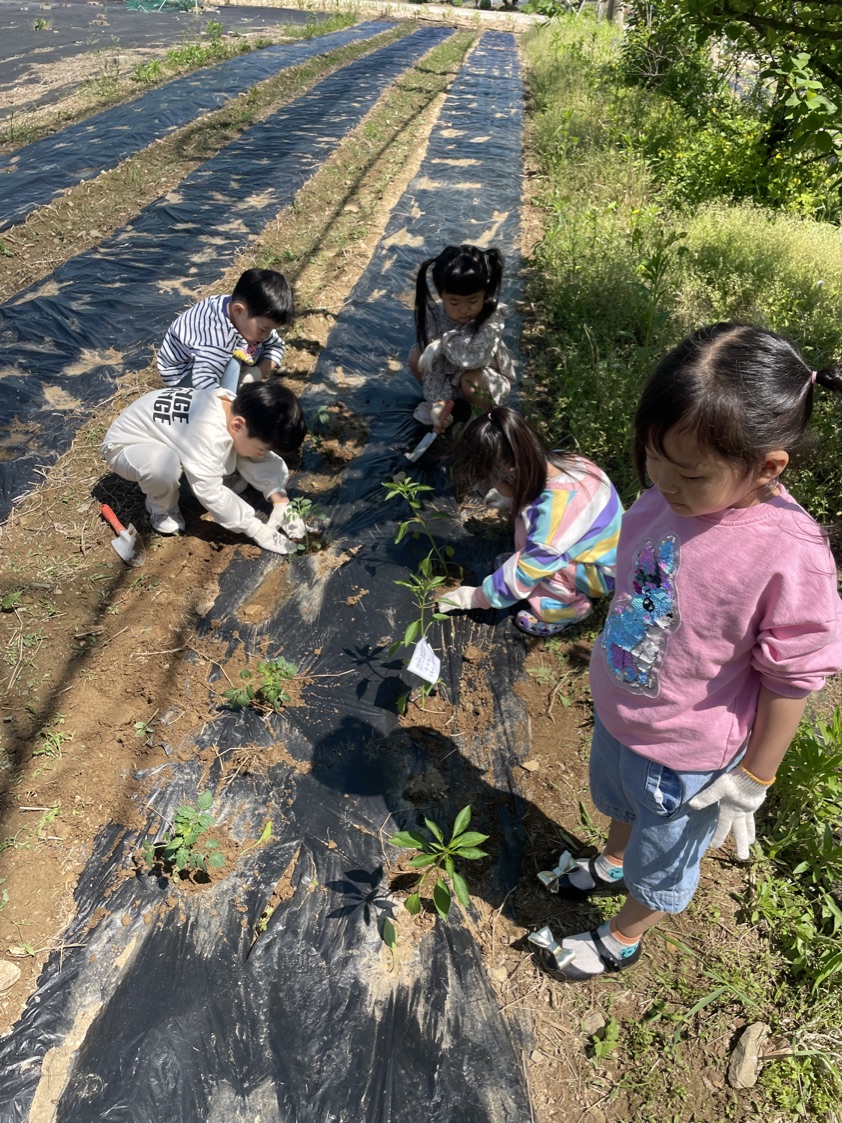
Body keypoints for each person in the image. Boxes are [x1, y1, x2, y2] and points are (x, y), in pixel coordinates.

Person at [527, 323, 842, 983]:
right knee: (617, 802)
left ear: (767, 465)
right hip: (624, 719)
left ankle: (624, 933)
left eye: (688, 472)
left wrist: (754, 779)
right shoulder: (664, 497)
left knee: (663, 854)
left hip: (689, 758)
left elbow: (794, 677)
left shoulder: (788, 552)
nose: (662, 479)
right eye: (654, 456)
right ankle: (612, 861)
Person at [436, 407, 622, 636]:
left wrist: (476, 597)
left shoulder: (558, 515)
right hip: (602, 547)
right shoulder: (565, 461)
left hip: (601, 570)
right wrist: (508, 497)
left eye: (495, 480)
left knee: (535, 567)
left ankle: (568, 609)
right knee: (532, 544)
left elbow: (530, 566)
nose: (492, 486)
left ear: (512, 470)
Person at [101, 380, 307, 554]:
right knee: (162, 466)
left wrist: (280, 500)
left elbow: (258, 454)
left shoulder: (233, 409)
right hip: (126, 446)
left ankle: (219, 468)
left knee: (245, 447)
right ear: (237, 424)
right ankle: (161, 508)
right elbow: (210, 492)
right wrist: (254, 528)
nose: (263, 454)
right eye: (263, 449)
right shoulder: (206, 435)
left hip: (167, 436)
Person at [409, 244, 514, 431]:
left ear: (486, 288)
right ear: (440, 293)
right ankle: (441, 405)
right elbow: (435, 364)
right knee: (416, 355)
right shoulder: (434, 315)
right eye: (454, 302)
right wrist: (438, 402)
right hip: (448, 376)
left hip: (485, 378)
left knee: (471, 381)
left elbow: (474, 358)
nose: (464, 309)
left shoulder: (493, 316)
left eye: (473, 301)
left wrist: (441, 345)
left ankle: (482, 419)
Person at [157, 268, 294, 393]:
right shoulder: (215, 336)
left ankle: (236, 381)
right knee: (233, 362)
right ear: (238, 310)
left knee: (257, 345)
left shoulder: (248, 316)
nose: (266, 335)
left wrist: (257, 373)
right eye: (264, 329)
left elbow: (277, 346)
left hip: (208, 362)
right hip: (185, 377)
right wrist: (229, 406)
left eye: (270, 330)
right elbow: (203, 382)